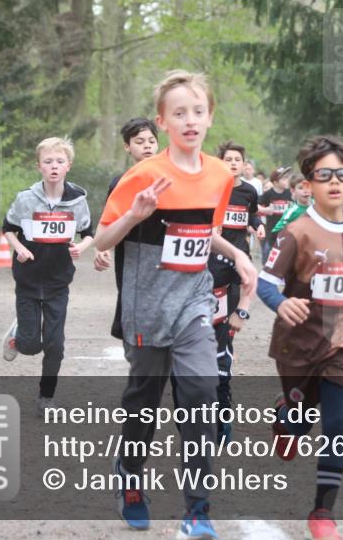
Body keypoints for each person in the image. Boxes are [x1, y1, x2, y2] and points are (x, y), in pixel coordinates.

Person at [93, 71, 256, 539]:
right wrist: (134, 214)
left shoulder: (220, 174)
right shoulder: (143, 175)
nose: (190, 120)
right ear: (162, 122)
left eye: (198, 111)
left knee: (202, 394)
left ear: (210, 118)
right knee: (143, 403)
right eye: (179, 112)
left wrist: (238, 255)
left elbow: (206, 231)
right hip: (146, 307)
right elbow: (102, 239)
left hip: (194, 301)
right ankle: (129, 475)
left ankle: (197, 510)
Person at [257, 135, 343, 540]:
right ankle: (285, 419)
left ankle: (322, 511)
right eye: (324, 175)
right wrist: (282, 303)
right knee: (301, 420)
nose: (334, 182)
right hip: (298, 344)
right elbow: (266, 283)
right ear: (308, 184)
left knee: (337, 422)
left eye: (342, 175)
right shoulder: (296, 232)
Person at [1, 137, 94, 416]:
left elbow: (89, 234)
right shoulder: (25, 199)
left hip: (58, 282)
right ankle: (19, 335)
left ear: (68, 166)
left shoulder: (77, 201)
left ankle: (46, 396)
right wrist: (19, 249)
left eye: (60, 161)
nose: (54, 166)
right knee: (31, 346)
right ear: (39, 166)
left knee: (55, 345)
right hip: (28, 279)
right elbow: (8, 228)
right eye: (48, 161)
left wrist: (80, 248)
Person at [211, 140, 263, 442]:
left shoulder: (249, 191)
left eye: (237, 159)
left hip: (236, 257)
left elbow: (252, 214)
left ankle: (222, 415)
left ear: (244, 164)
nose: (233, 163)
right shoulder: (211, 188)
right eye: (228, 159)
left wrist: (257, 225)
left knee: (222, 344)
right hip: (210, 258)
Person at [93, 117, 159, 340]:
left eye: (151, 141)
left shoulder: (170, 179)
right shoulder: (120, 182)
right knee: (133, 326)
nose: (147, 146)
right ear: (127, 147)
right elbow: (108, 221)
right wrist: (101, 249)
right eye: (140, 141)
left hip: (163, 260)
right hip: (130, 259)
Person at [259, 167, 292, 261]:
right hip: (271, 233)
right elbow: (254, 204)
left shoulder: (289, 193)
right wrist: (264, 210)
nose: (287, 180)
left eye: (287, 177)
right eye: (284, 178)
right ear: (275, 182)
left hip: (286, 233)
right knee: (267, 260)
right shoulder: (268, 194)